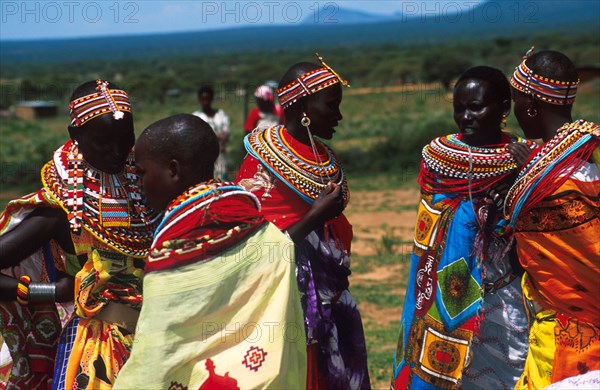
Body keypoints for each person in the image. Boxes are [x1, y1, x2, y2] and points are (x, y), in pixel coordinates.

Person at [113, 114, 306, 389]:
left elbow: (156, 356)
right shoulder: (261, 228)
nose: (140, 184)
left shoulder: (173, 253)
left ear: (173, 170)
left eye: (143, 172)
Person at [1, 79, 161, 390]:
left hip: (158, 338)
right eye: (103, 141)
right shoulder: (64, 209)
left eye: (125, 137)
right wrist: (49, 291)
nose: (117, 151)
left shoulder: (148, 187)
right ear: (75, 136)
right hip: (95, 352)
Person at [391, 66, 535, 389]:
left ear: (503, 109)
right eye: (459, 108)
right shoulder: (439, 161)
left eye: (476, 107)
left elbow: (535, 231)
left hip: (506, 295)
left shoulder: (522, 159)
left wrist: (522, 180)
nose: (465, 116)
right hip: (445, 294)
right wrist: (477, 211)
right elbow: (431, 230)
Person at [236, 54, 370, 389]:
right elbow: (254, 247)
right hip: (288, 303)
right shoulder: (262, 163)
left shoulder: (325, 157)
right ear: (302, 109)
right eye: (331, 105)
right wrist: (314, 217)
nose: (339, 116)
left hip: (331, 295)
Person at [504, 49, 600, 389]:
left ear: (529, 106)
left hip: (563, 339)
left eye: (515, 102)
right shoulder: (592, 149)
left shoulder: (538, 180)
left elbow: (524, 256)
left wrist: (525, 173)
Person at [193, 85, 231, 180]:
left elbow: (225, 135)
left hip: (220, 153)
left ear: (211, 99)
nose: (205, 101)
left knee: (221, 179)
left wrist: (214, 137)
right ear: (199, 99)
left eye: (208, 98)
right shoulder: (196, 117)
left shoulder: (220, 114)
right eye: (203, 98)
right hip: (204, 155)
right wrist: (216, 136)